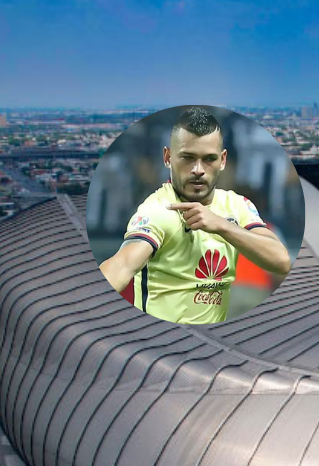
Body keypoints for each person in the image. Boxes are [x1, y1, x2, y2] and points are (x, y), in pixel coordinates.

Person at [98, 107, 292, 324]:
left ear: (223, 160)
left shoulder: (238, 205)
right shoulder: (159, 210)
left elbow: (281, 261)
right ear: (168, 157)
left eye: (209, 159)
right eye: (188, 158)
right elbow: (123, 264)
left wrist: (223, 225)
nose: (198, 169)